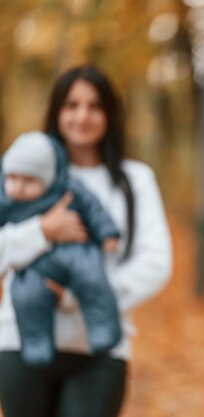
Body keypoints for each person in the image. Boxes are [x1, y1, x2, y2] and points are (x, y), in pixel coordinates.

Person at [0, 65, 172, 417]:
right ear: (57, 112)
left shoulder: (135, 180)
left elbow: (155, 261)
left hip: (100, 352)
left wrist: (82, 296)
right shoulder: (19, 175)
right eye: (72, 105)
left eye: (95, 106)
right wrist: (42, 232)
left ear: (110, 114)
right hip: (19, 343)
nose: (83, 115)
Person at [1, 130, 122, 366]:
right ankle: (36, 346)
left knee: (93, 279)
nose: (18, 188)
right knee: (27, 297)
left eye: (28, 181)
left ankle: (103, 329)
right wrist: (42, 230)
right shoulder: (6, 202)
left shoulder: (67, 188)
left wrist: (107, 232)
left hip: (76, 252)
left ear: (47, 180)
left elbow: (92, 207)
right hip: (31, 267)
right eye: (12, 179)